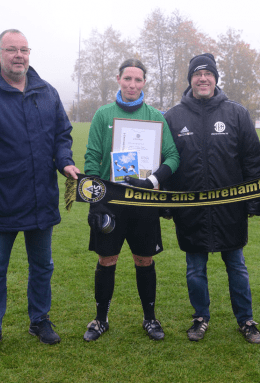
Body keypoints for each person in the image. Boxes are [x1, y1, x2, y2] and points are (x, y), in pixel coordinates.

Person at [0, 29, 80, 357]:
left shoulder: (47, 92)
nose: (19, 55)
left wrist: (66, 163)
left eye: (24, 49)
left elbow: (61, 135)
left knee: (43, 267)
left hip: (41, 200)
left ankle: (39, 320)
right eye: (11, 50)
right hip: (1, 203)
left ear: (30, 54)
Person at [163, 53, 260, 343]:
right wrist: (168, 206)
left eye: (209, 74)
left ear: (216, 79)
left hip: (229, 210)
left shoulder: (237, 113)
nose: (203, 78)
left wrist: (254, 202)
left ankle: (246, 320)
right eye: (198, 74)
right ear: (190, 80)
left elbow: (253, 160)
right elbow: (165, 162)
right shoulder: (173, 116)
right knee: (195, 268)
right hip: (190, 212)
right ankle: (200, 317)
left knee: (236, 266)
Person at [83, 59, 180, 341]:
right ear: (118, 79)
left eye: (138, 80)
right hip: (111, 202)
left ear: (144, 83)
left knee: (144, 260)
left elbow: (173, 156)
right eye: (127, 79)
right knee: (107, 259)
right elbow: (91, 158)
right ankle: (100, 319)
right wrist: (95, 199)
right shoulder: (103, 115)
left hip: (144, 201)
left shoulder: (155, 116)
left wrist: (152, 181)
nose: (132, 85)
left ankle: (150, 319)